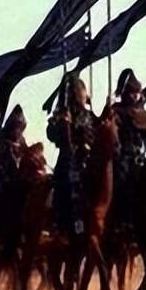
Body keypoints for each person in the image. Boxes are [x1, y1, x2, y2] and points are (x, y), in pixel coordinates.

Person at [47, 76, 98, 237]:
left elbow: (97, 132)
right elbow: (51, 135)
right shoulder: (61, 115)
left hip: (88, 157)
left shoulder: (90, 116)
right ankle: (60, 223)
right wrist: (62, 124)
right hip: (68, 159)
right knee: (64, 183)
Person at [111, 69, 146, 232]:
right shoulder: (116, 111)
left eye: (135, 92)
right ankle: (120, 219)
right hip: (119, 156)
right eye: (130, 92)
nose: (133, 96)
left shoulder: (142, 114)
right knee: (121, 178)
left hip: (138, 157)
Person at [0, 105, 28, 195]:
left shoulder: (21, 141)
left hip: (16, 180)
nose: (17, 131)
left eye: (19, 128)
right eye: (15, 127)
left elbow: (25, 156)